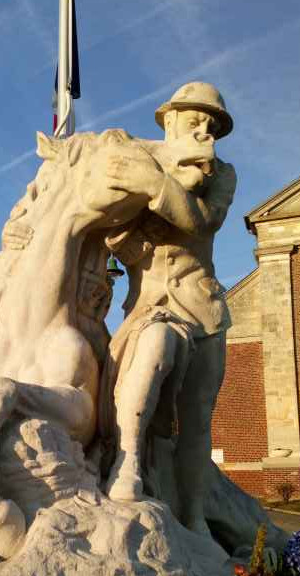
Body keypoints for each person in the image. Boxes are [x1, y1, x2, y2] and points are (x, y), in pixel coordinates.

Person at [101, 82, 236, 539]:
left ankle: (194, 516)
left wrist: (155, 188)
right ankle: (127, 463)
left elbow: (204, 220)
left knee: (197, 420)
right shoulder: (144, 159)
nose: (204, 131)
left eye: (211, 125)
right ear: (171, 119)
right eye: (194, 120)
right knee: (149, 359)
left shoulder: (223, 174)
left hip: (204, 310)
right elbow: (118, 236)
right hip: (152, 304)